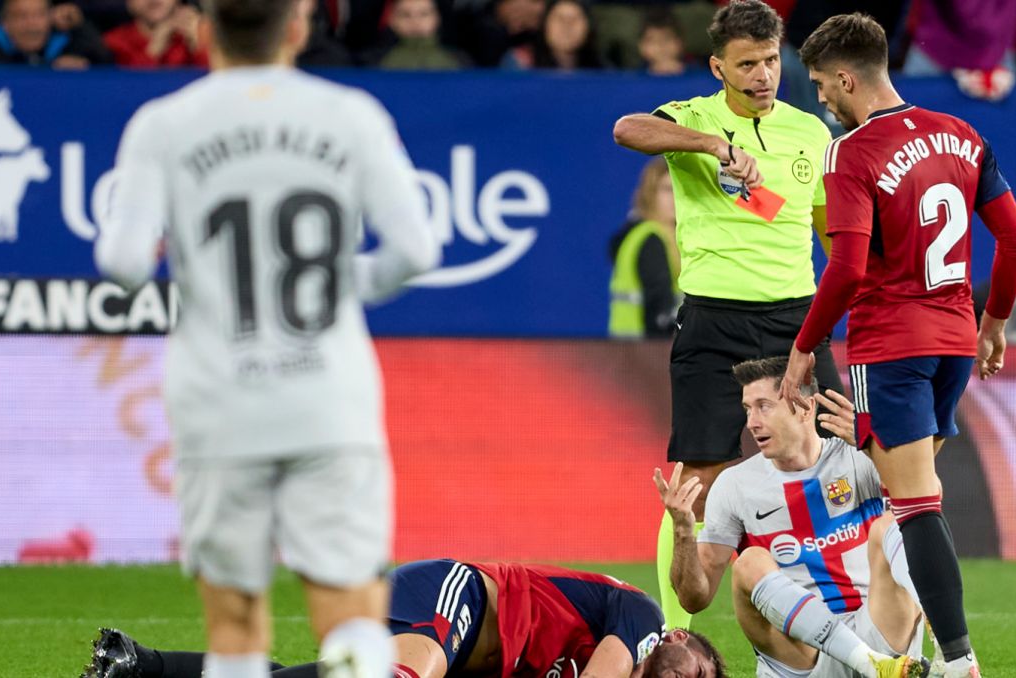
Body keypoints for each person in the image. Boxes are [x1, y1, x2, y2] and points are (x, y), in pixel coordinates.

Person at [92, 0, 440, 674]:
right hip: (328, 399)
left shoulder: (162, 126)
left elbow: (124, 264)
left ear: (202, 29)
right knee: (351, 617)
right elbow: (415, 251)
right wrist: (337, 286)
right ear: (297, 27)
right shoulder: (351, 117)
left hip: (218, 399)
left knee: (235, 625)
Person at [784, 13, 1016, 678]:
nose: (820, 100)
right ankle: (912, 653)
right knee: (903, 508)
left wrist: (807, 344)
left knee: (912, 508)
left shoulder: (853, 151)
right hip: (954, 342)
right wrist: (994, 324)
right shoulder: (962, 135)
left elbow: (849, 268)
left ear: (845, 77)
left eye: (819, 85)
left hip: (891, 345)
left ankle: (957, 661)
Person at [611, 0, 846, 631]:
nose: (762, 75)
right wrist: (712, 144)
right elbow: (627, 129)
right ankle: (671, 637)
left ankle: (863, 613)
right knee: (699, 478)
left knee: (846, 456)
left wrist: (857, 286)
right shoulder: (693, 119)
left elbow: (826, 223)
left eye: (770, 60)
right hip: (715, 320)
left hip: (797, 317)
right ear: (719, 66)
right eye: (746, 64)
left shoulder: (809, 131)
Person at [655, 357, 930, 678]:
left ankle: (935, 633)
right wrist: (684, 533)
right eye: (747, 409)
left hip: (878, 630)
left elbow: (927, 501)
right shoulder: (734, 485)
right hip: (802, 653)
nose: (751, 422)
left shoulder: (858, 456)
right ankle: (869, 664)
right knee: (748, 562)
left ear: (805, 407)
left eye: (764, 406)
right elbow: (693, 600)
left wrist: (879, 451)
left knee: (894, 525)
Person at [83, 560, 727, 678]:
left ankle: (136, 662)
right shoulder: (641, 618)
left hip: (449, 647)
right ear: (680, 639)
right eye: (700, 673)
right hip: (456, 597)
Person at [608, 157, 681, 339]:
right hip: (642, 353)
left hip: (629, 351)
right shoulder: (651, 240)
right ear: (650, 193)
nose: (676, 198)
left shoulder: (661, 236)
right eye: (667, 190)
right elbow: (659, 313)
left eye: (681, 190)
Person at [0, 0, 113, 67]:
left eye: (39, 15)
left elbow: (105, 61)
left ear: (51, 18)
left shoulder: (68, 43)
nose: (31, 24)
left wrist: (79, 25)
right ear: (5, 23)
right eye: (21, 16)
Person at [102, 0, 208, 68]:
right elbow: (128, 88)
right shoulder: (113, 42)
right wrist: (154, 49)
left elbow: (218, 83)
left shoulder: (200, 33)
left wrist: (198, 44)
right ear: (129, 4)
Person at [502, 0, 602, 70]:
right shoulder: (520, 62)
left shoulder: (602, 71)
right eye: (560, 19)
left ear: (588, 28)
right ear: (545, 25)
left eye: (574, 20)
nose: (566, 27)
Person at [373, 0, 467, 70]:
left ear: (437, 18)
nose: (415, 22)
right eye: (405, 15)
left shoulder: (461, 61)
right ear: (392, 20)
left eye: (424, 14)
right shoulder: (372, 62)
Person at [637, 7, 686, 76]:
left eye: (667, 38)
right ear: (641, 46)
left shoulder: (700, 75)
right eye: (652, 40)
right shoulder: (632, 78)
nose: (661, 45)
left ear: (680, 42)